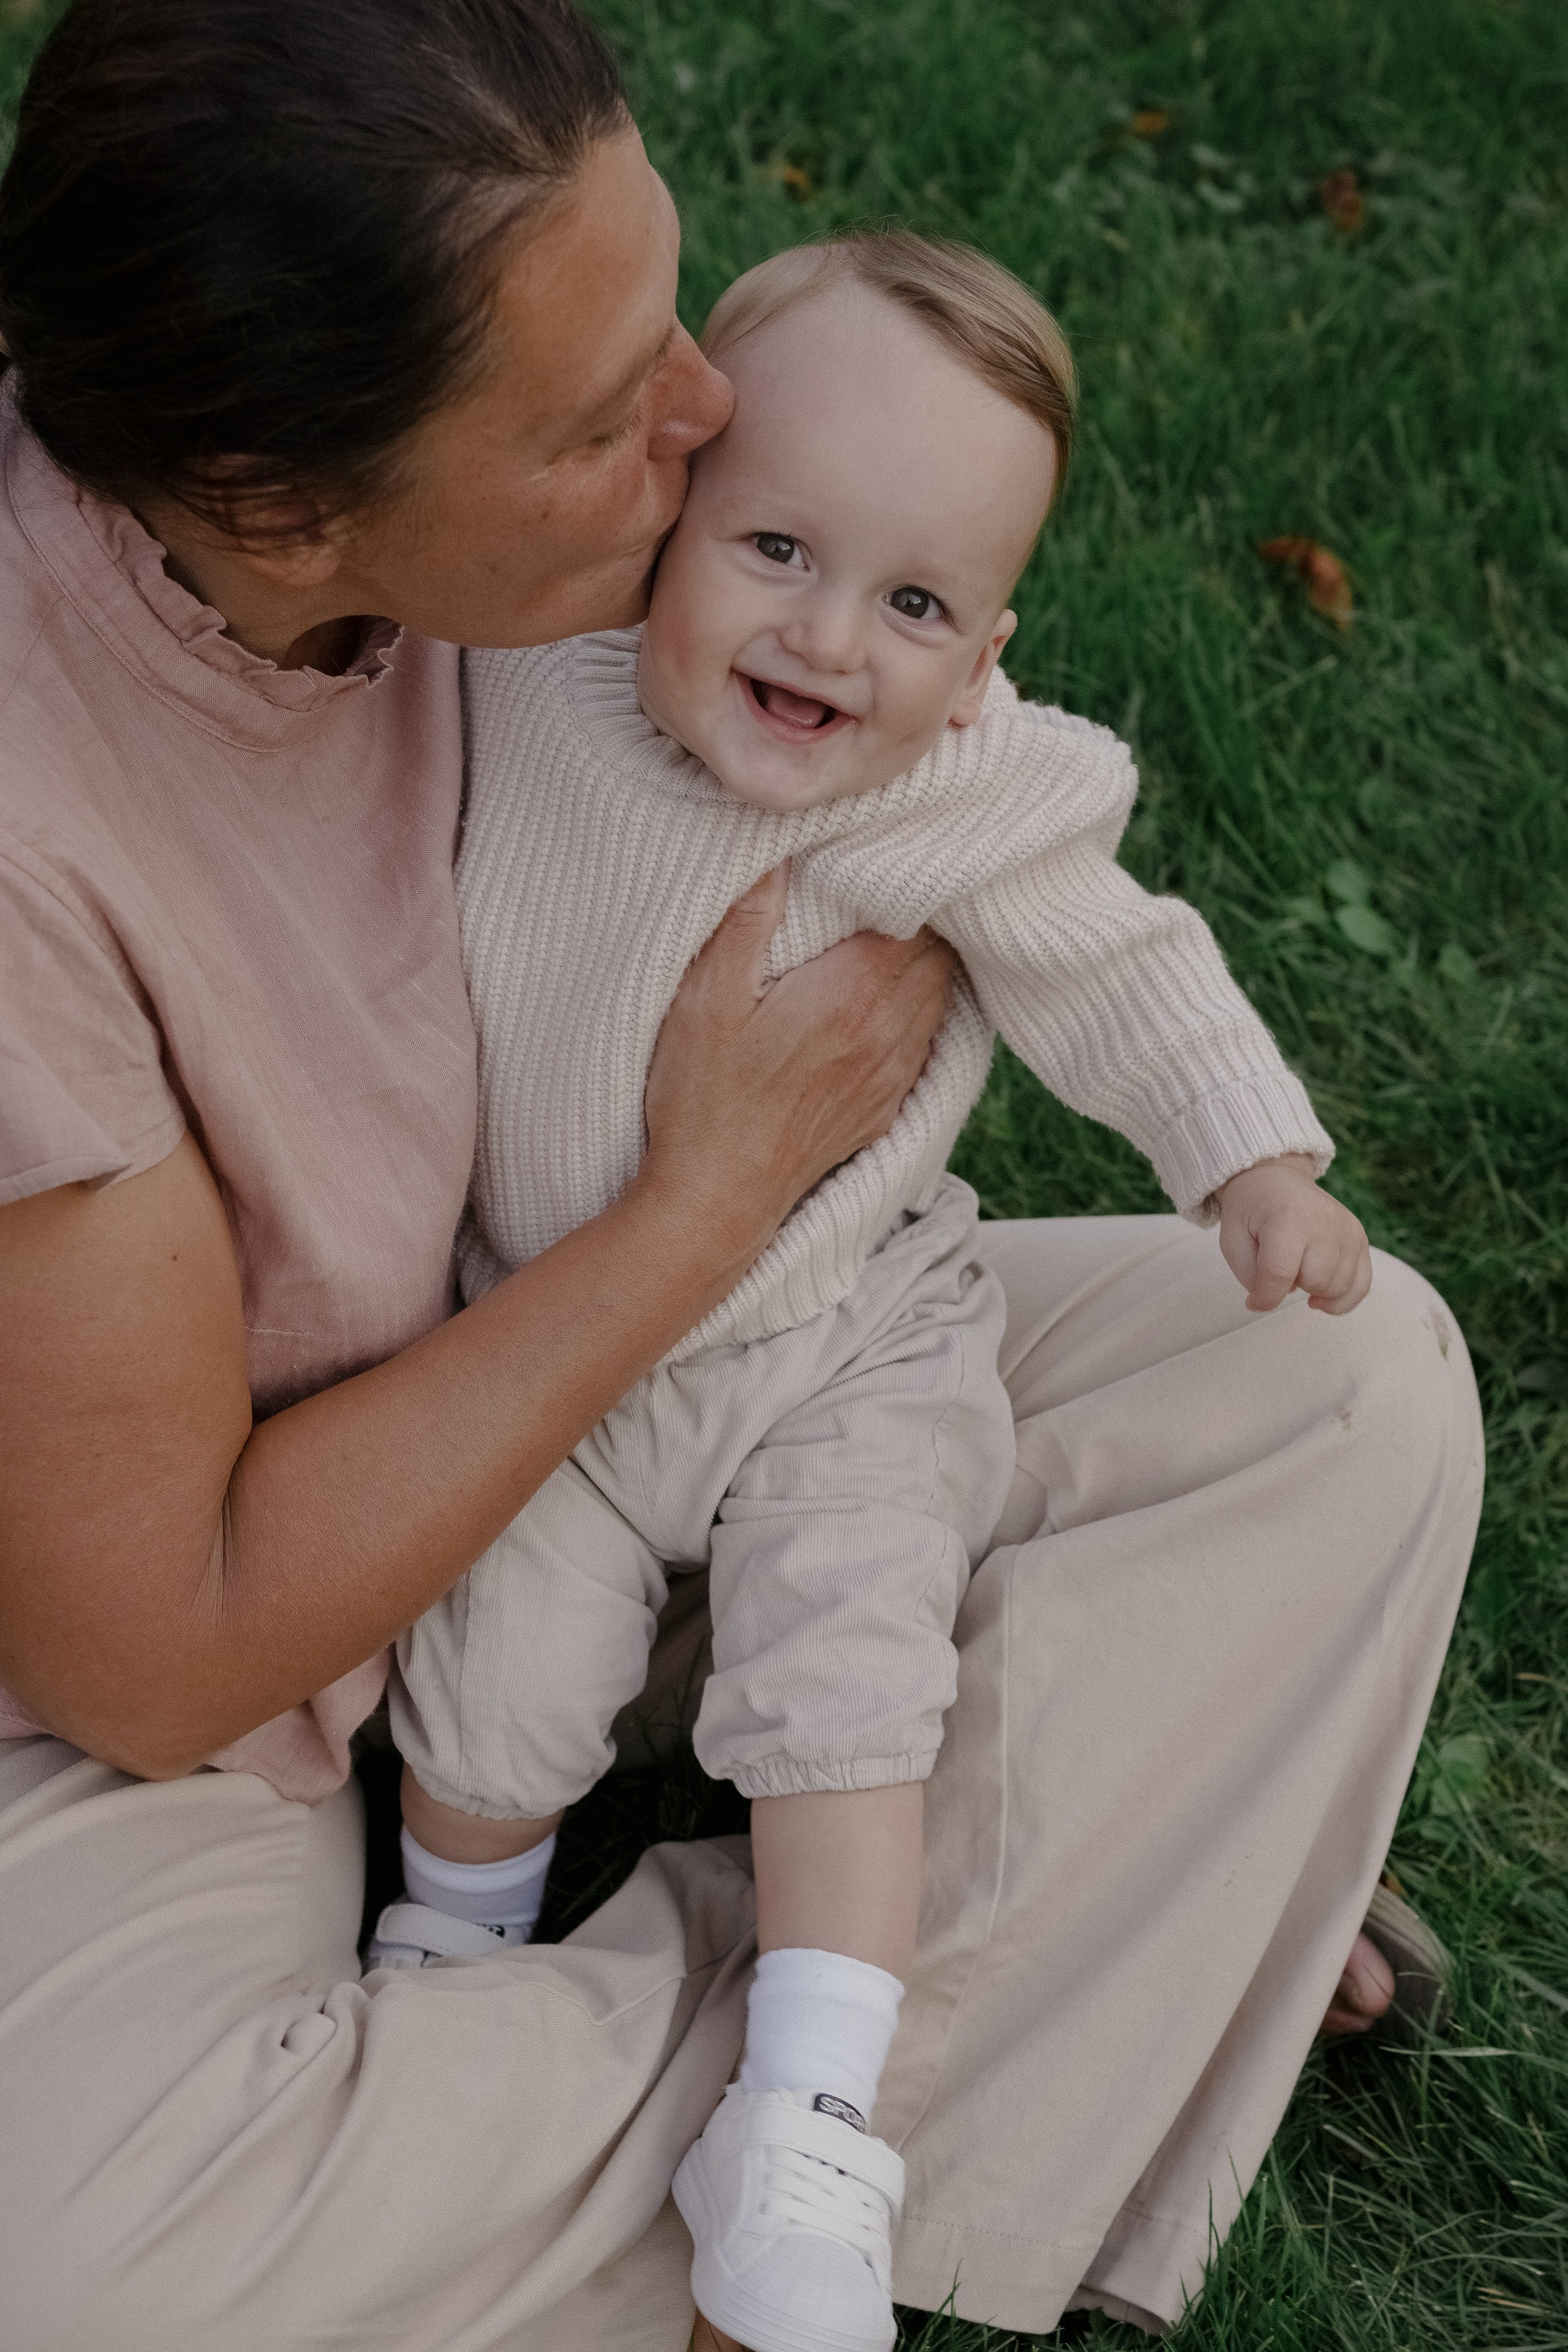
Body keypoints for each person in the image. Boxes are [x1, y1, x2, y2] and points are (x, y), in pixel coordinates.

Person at [0, 4, 1483, 2348]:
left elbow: (942, 729)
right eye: (602, 419)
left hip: (707, 1406)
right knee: (86, 2273)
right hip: (207, 1627)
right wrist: (700, 1207)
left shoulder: (605, 578)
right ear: (284, 507)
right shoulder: (31, 862)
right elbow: (159, 1651)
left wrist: (897, 649)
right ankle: (989, 1977)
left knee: (1345, 1384)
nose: (705, 419)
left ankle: (874, 2011)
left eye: (671, 317)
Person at [382, 231, 1376, 2352]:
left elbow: (1128, 972)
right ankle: (443, 1959)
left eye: (917, 606)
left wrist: (1255, 1162)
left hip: (839, 1336)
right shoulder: (521, 677)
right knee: (494, 1670)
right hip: (538, 1324)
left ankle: (812, 2121)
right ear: (668, 515)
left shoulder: (969, 794)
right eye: (778, 550)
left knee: (850, 1670)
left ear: (987, 652)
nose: (831, 639)